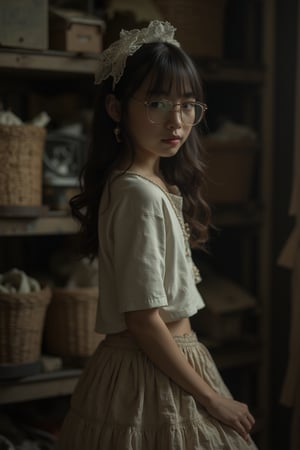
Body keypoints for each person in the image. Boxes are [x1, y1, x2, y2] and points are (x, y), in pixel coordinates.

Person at [58, 20, 258, 450]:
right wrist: (211, 399)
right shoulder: (137, 194)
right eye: (157, 102)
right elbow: (143, 319)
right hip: (150, 368)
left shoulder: (145, 184)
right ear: (116, 109)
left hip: (159, 359)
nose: (177, 121)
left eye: (188, 105)